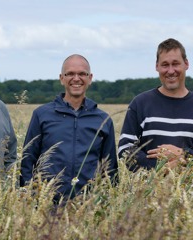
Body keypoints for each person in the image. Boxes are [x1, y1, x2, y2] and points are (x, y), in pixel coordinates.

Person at [20, 54, 118, 200]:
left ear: (90, 78)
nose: (76, 78)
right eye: (70, 74)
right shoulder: (42, 115)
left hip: (88, 204)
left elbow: (110, 168)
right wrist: (30, 196)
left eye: (82, 74)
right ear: (62, 78)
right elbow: (28, 161)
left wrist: (106, 201)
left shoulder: (102, 120)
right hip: (46, 203)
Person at [118, 38, 193, 171]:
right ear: (157, 66)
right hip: (149, 190)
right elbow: (125, 149)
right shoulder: (140, 103)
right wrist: (158, 169)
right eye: (165, 65)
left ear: (186, 64)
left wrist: (184, 156)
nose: (170, 71)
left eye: (175, 63)